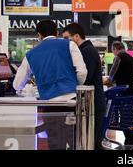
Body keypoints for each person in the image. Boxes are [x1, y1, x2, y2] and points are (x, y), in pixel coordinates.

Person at [13, 20, 87, 150]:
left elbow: (17, 84)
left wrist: (22, 90)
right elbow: (82, 72)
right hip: (72, 103)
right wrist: (73, 86)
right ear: (57, 33)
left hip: (50, 105)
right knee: (76, 142)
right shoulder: (69, 45)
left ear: (39, 35)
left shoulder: (31, 54)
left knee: (55, 144)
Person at [62, 23, 106, 150]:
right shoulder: (86, 50)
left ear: (76, 36)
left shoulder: (86, 52)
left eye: (66, 38)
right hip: (92, 103)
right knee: (93, 143)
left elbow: (86, 78)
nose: (65, 42)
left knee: (91, 143)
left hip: (93, 104)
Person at [105, 41, 133, 147]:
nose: (113, 52)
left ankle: (129, 143)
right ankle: (131, 142)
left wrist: (107, 80)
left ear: (116, 48)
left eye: (113, 50)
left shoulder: (119, 57)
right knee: (130, 118)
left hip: (124, 93)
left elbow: (111, 75)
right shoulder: (131, 58)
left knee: (125, 119)